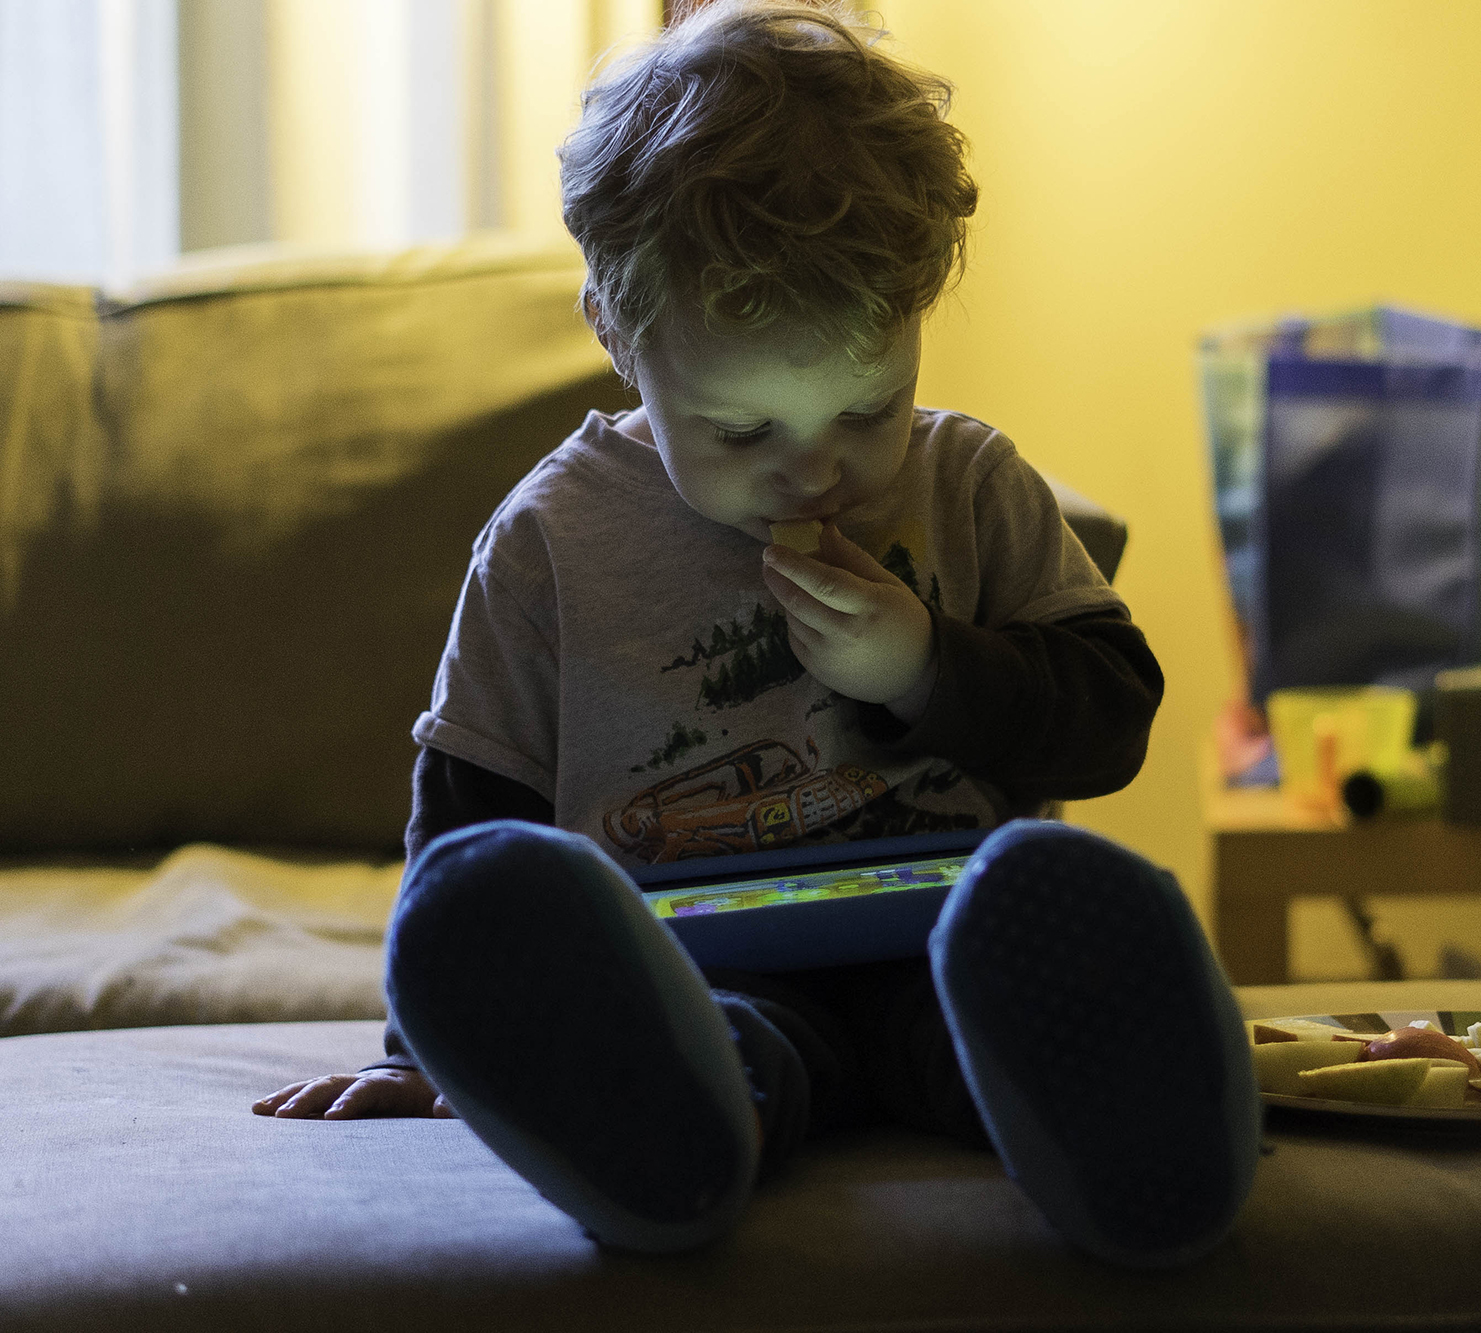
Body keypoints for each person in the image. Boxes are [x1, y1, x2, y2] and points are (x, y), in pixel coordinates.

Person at [252, 0, 1257, 1267]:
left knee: (1004, 1029)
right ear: (624, 340)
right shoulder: (549, 541)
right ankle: (650, 1141)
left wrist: (929, 668)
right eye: (743, 432)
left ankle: (1138, 1134)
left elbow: (1110, 715)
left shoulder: (972, 482)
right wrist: (431, 1050)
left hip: (948, 942)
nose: (816, 473)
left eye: (866, 406)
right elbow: (474, 824)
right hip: (696, 970)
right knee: (716, 1053)